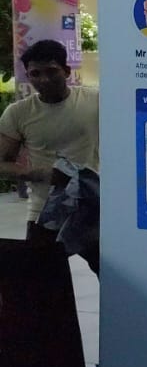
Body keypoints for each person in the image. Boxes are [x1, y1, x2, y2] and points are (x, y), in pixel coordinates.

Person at [0, 40, 99, 274]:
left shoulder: (95, 101)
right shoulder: (18, 113)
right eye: (35, 74)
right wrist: (40, 174)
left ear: (67, 71)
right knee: (41, 284)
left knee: (114, 280)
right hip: (45, 212)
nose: (43, 79)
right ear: (28, 76)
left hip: (93, 209)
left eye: (52, 71)